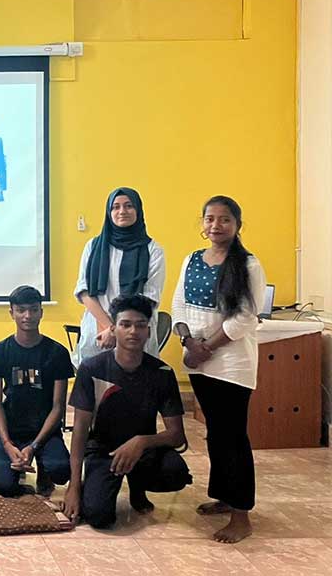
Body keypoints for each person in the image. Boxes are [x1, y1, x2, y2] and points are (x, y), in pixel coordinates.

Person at [172, 195, 266, 543]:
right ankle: (225, 497)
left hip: (231, 363)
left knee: (232, 436)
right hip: (199, 360)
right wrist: (187, 342)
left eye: (224, 219)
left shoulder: (249, 265)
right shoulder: (191, 259)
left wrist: (206, 348)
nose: (216, 225)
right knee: (215, 433)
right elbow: (179, 304)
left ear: (237, 224)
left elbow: (246, 317)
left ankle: (242, 516)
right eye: (210, 218)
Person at [64, 294, 192, 530]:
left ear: (149, 331)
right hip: (103, 451)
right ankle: (96, 483)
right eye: (125, 324)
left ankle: (137, 486)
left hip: (143, 452)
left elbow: (177, 436)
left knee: (175, 472)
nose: (133, 331)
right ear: (113, 329)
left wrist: (141, 442)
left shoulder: (162, 373)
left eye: (140, 325)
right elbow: (80, 432)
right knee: (98, 517)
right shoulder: (92, 369)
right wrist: (73, 487)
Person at [0, 285, 73, 498]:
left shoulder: (57, 352)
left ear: (41, 312)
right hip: (12, 432)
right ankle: (19, 471)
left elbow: (58, 407)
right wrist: (7, 443)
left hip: (45, 431)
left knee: (61, 470)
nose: (27, 316)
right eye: (21, 310)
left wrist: (34, 446)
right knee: (2, 487)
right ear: (11, 313)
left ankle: (44, 469)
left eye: (33, 309)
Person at [73, 187, 165, 365]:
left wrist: (119, 330)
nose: (122, 211)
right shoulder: (93, 246)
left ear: (138, 210)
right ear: (109, 212)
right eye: (116, 207)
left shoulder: (153, 250)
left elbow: (148, 298)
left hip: (135, 332)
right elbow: (84, 291)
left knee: (138, 380)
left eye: (129, 206)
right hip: (98, 332)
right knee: (96, 379)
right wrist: (110, 328)